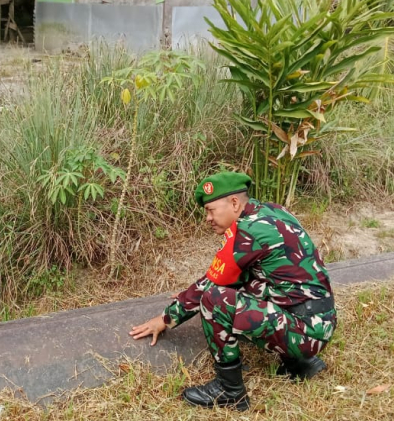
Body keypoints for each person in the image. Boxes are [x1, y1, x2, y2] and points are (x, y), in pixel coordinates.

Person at [130, 171, 335, 411]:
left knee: (214, 299)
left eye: (211, 210)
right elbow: (238, 275)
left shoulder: (248, 231)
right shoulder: (271, 211)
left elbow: (211, 283)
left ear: (235, 203)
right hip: (319, 320)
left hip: (305, 332)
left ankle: (230, 390)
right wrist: (190, 294)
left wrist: (165, 319)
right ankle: (301, 364)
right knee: (239, 283)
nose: (207, 218)